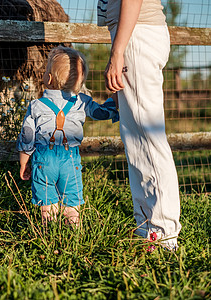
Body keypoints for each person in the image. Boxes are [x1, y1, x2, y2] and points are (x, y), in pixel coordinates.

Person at [98, 0, 181, 250]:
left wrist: (118, 51)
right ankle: (148, 225)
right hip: (134, 35)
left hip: (137, 36)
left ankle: (162, 233)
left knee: (146, 137)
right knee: (136, 138)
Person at [16, 46, 119, 225]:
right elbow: (102, 113)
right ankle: (73, 237)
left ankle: (49, 237)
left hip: (43, 159)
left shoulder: (36, 106)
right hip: (70, 158)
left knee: (47, 205)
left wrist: (24, 161)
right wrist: (114, 100)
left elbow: (27, 136)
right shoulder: (82, 101)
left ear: (48, 78)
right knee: (71, 205)